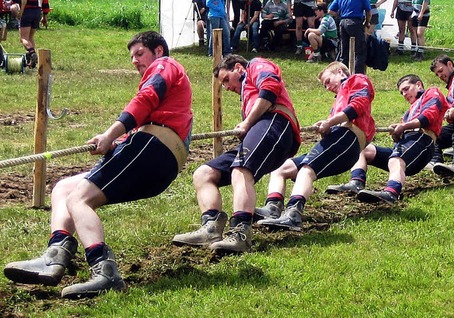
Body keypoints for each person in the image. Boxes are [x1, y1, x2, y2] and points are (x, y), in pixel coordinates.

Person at [3, 31, 193, 299]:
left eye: (140, 54)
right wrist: (118, 143)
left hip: (155, 148)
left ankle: (105, 272)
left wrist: (109, 135)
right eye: (131, 57)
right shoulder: (164, 78)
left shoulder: (165, 66)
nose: (134, 61)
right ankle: (55, 256)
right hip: (153, 151)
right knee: (64, 189)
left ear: (159, 51)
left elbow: (146, 100)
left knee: (80, 199)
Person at [172, 54, 300, 254]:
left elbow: (270, 88)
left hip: (276, 124)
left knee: (240, 170)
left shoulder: (257, 65)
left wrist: (248, 123)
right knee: (204, 174)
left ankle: (241, 233)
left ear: (239, 68)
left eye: (226, 80)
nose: (226, 87)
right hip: (263, 128)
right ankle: (211, 227)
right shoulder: (247, 96)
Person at [254, 61, 375, 230]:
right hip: (339, 139)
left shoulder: (356, 79)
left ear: (340, 72)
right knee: (281, 169)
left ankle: (293, 214)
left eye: (327, 81)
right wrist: (327, 129)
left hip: (348, 138)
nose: (327, 88)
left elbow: (359, 105)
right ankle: (273, 207)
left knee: (306, 169)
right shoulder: (338, 101)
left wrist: (330, 122)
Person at [325, 74, 446, 204]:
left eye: (406, 89)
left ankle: (391, 193)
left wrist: (404, 126)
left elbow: (429, 116)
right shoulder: (409, 112)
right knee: (363, 150)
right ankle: (356, 183)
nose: (404, 94)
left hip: (423, 142)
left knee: (396, 158)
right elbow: (401, 138)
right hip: (408, 147)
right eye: (401, 92)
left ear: (418, 85)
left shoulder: (432, 92)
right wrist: (397, 133)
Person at [329, 0, 372, 74]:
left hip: (342, 23)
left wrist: (341, 14)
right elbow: (369, 12)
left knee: (344, 51)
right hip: (355, 23)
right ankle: (358, 74)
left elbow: (330, 11)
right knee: (360, 51)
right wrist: (367, 22)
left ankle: (343, 74)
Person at [19, 0, 50, 68]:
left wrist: (20, 13)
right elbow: (45, 3)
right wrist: (44, 16)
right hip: (37, 12)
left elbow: (24, 1)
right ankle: (31, 62)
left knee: (23, 38)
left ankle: (32, 53)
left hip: (27, 11)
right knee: (30, 36)